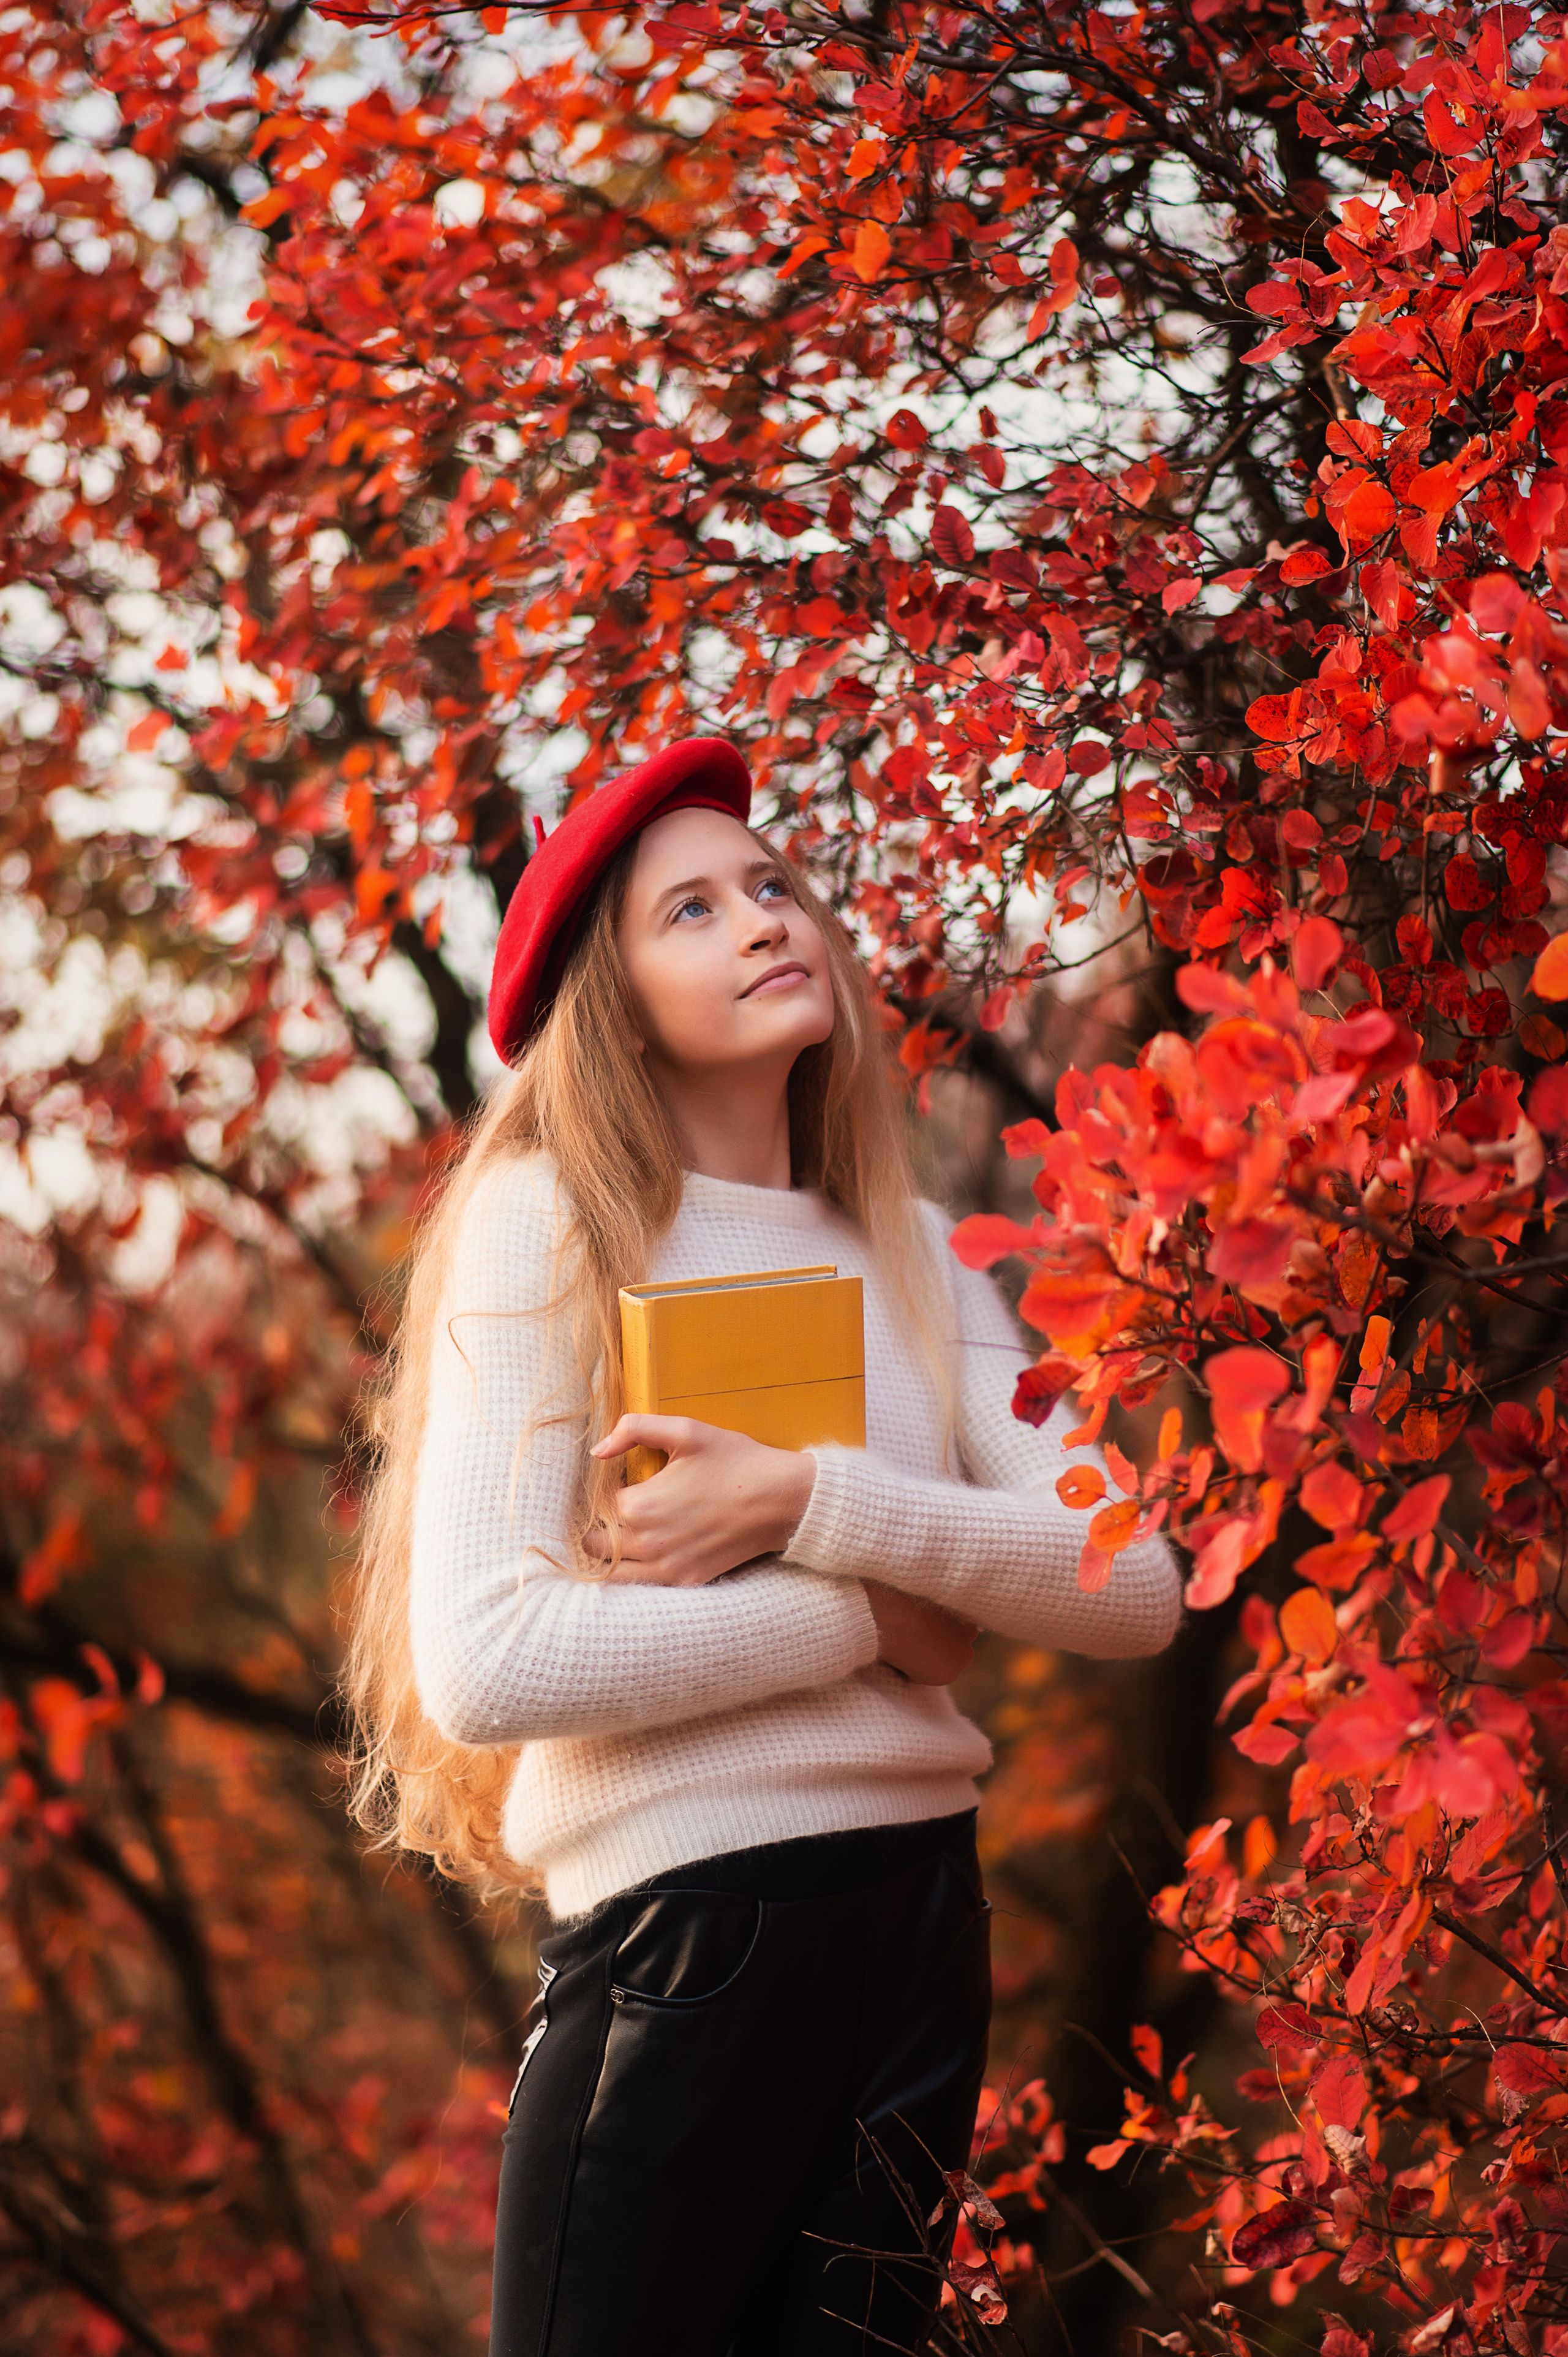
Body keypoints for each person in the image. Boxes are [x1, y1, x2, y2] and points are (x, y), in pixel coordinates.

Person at [344, 738, 1182, 2357]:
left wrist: (813, 1505)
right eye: (694, 909)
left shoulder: (922, 1257)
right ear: (614, 996)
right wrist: (879, 1619)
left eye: (773, 884)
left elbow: (1135, 1586)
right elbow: (490, 1660)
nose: (762, 919)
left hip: (918, 1934)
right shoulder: (556, 1223)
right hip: (687, 1942)